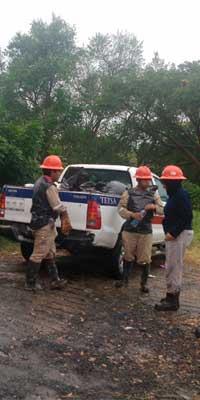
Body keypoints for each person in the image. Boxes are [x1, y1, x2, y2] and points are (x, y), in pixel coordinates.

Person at [25, 155, 72, 291]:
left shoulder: (39, 182)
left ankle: (55, 280)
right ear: (52, 171)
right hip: (44, 224)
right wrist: (65, 214)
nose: (59, 173)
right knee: (38, 253)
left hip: (40, 222)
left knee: (50, 252)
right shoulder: (49, 186)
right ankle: (30, 283)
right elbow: (57, 206)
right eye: (58, 171)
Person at [117, 166, 163, 292]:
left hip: (145, 231)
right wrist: (132, 214)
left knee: (145, 258)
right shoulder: (128, 193)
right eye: (145, 179)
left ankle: (144, 284)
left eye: (148, 179)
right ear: (138, 179)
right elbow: (120, 209)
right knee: (128, 256)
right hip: (130, 229)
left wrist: (154, 206)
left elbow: (162, 209)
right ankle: (124, 280)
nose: (147, 182)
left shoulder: (154, 194)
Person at [155, 165, 193, 312]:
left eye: (167, 182)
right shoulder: (175, 195)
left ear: (175, 182)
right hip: (175, 235)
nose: (165, 184)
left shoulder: (181, 195)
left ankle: (172, 301)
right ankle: (171, 296)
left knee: (174, 267)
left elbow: (187, 216)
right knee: (171, 265)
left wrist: (174, 232)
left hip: (179, 234)